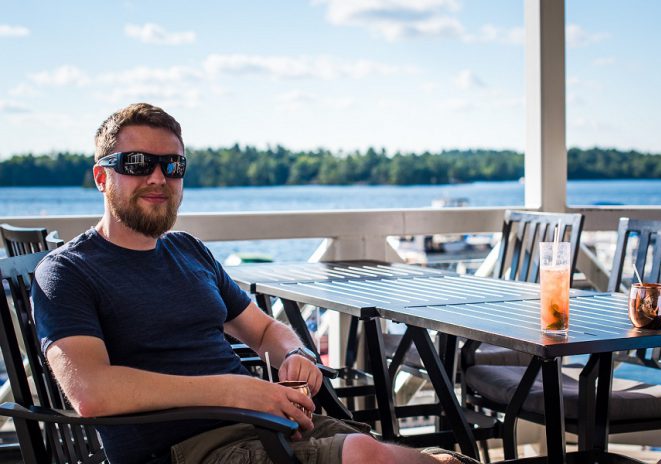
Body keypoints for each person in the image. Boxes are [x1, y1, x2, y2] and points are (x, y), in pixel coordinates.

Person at [31, 103, 472, 464]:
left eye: (173, 165)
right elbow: (91, 392)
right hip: (186, 451)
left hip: (264, 423)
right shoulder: (67, 272)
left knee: (438, 461)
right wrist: (238, 389)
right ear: (102, 177)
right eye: (138, 163)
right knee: (364, 456)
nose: (158, 178)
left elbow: (262, 330)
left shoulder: (187, 250)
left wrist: (295, 354)